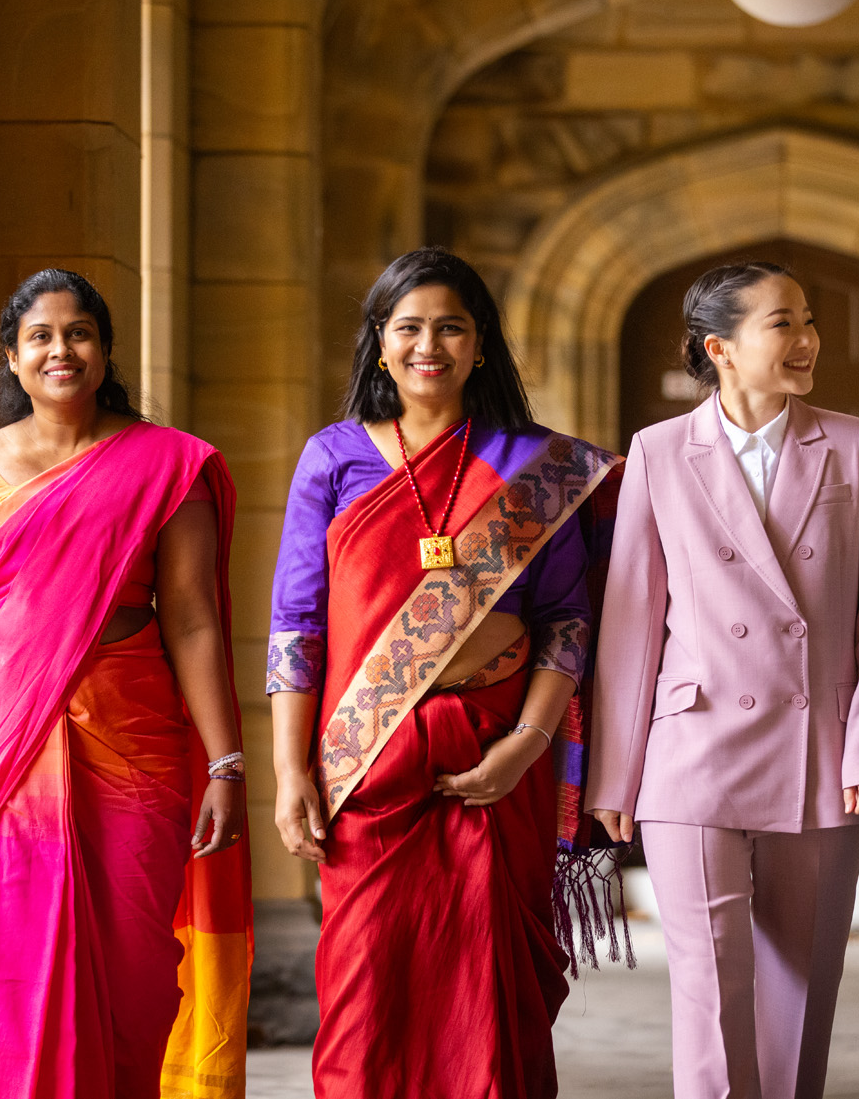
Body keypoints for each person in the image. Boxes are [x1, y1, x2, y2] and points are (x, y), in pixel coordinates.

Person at [0, 269, 252, 1099]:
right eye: (41, 335)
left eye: (78, 333)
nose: (60, 349)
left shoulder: (165, 465)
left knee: (139, 979)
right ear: (13, 355)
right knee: (13, 981)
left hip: (132, 735)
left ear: (103, 352)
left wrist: (226, 762)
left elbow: (192, 620)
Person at [268, 247, 618, 1099]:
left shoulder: (537, 464)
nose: (431, 345)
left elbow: (568, 622)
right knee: (363, 992)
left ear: (482, 345)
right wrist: (287, 770)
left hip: (498, 760)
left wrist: (529, 745)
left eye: (452, 327)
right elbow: (297, 625)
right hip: (368, 760)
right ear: (380, 344)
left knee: (488, 1001)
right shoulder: (334, 457)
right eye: (410, 327)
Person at [585, 260, 859, 1099]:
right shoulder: (657, 452)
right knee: (708, 988)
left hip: (819, 749)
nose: (806, 340)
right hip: (693, 748)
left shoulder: (851, 441)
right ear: (718, 347)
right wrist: (614, 772)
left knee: (801, 993)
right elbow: (629, 622)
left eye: (807, 320)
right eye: (783, 324)